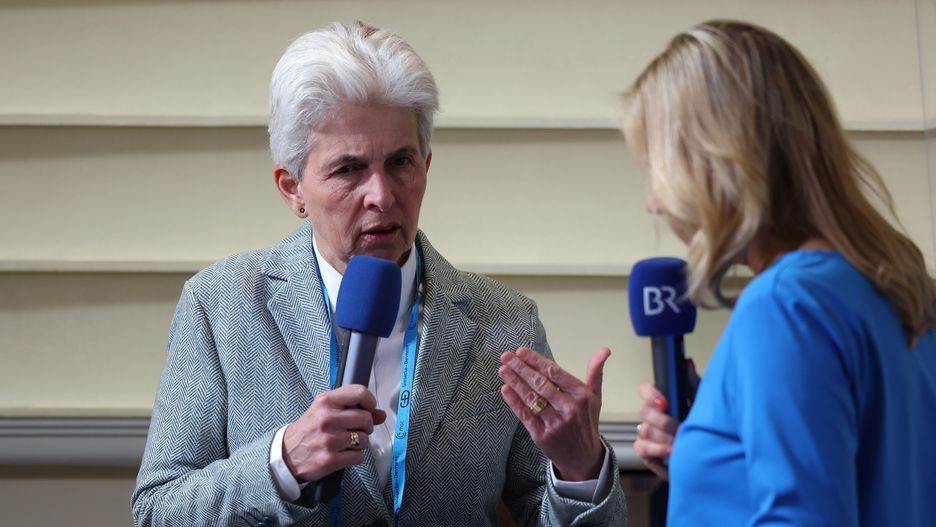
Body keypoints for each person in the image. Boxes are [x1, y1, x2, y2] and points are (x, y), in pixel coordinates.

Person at [131, 21, 626, 527]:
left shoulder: (507, 322)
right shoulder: (220, 305)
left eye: (400, 162)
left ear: (427, 166)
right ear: (292, 188)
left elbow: (549, 510)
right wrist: (282, 464)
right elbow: (157, 510)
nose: (382, 196)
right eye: (348, 169)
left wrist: (579, 469)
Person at [621, 20, 936, 526]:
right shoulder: (904, 292)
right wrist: (713, 456)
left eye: (656, 171)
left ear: (713, 162)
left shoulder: (786, 306)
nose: (652, 203)